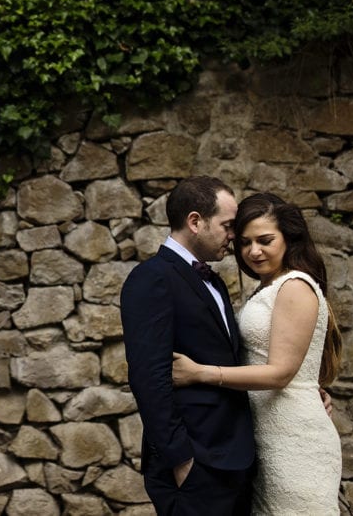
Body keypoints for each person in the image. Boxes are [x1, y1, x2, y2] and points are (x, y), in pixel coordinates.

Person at [171, 192, 342, 514]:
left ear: (289, 239)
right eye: (245, 243)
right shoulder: (267, 288)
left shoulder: (294, 286)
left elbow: (280, 373)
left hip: (295, 437)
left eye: (265, 240)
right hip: (267, 435)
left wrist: (200, 373)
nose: (253, 251)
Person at [121, 175, 256, 515]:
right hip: (197, 466)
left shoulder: (214, 282)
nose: (234, 236)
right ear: (195, 221)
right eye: (227, 225)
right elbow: (149, 378)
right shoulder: (151, 278)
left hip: (235, 459)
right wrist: (182, 462)